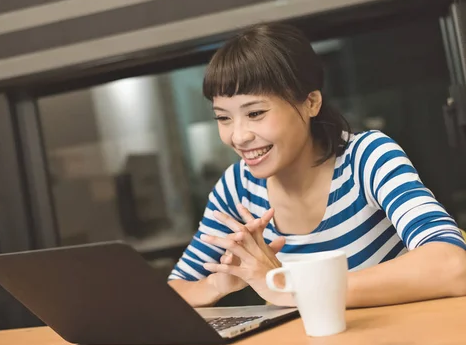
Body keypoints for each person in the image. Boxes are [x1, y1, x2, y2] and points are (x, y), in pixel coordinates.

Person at [168, 22, 466, 308]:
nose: (239, 135)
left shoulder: (366, 159)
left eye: (256, 113)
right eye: (223, 117)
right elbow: (173, 291)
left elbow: (452, 265)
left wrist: (290, 286)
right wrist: (219, 284)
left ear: (311, 103)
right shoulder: (238, 187)